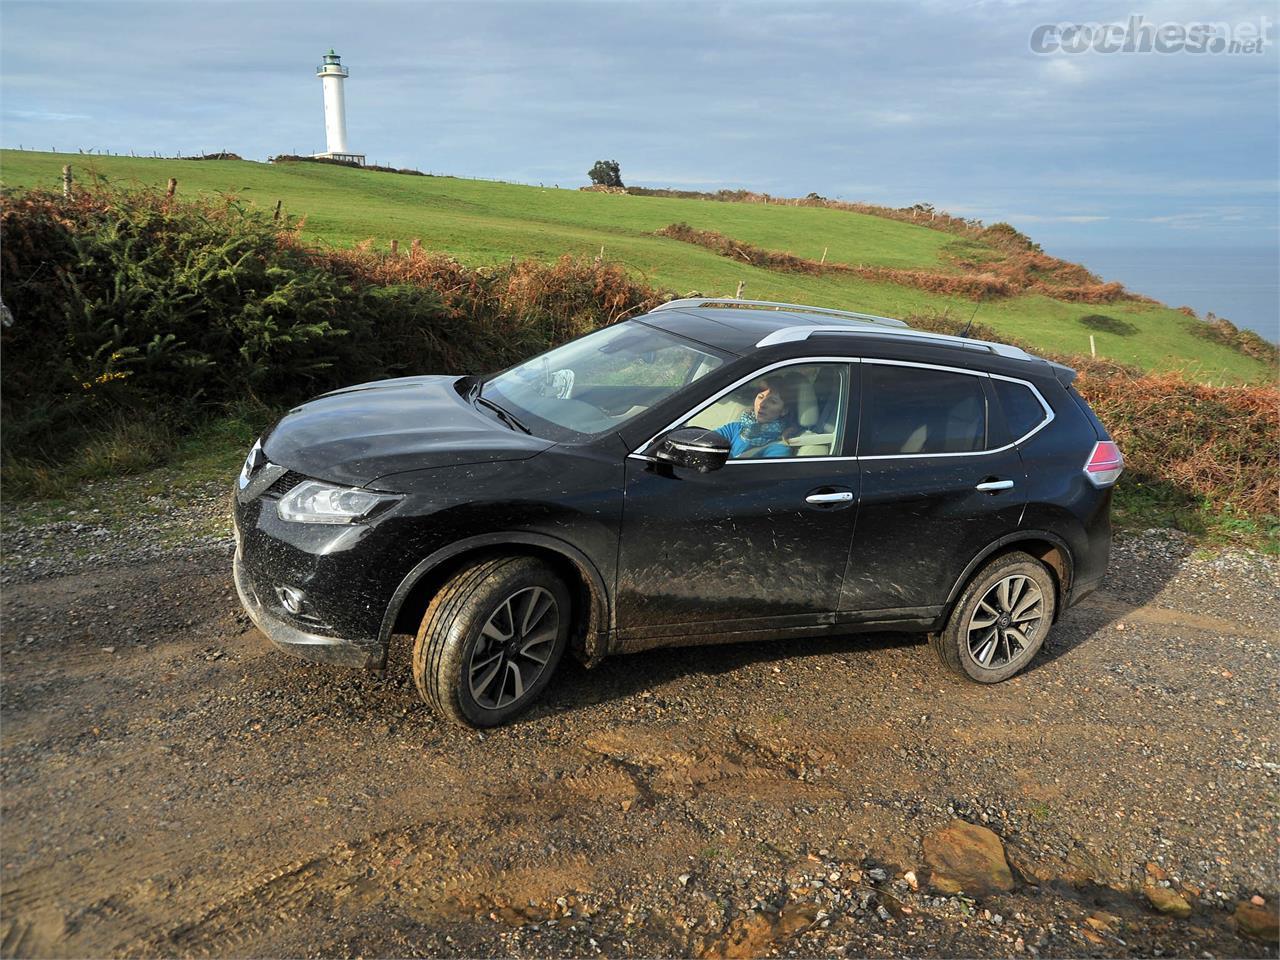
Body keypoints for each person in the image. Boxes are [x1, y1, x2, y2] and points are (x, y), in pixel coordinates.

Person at [713, 380, 796, 458]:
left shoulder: (779, 447)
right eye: (760, 397)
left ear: (784, 411)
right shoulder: (734, 428)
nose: (762, 405)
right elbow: (706, 443)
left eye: (772, 401)